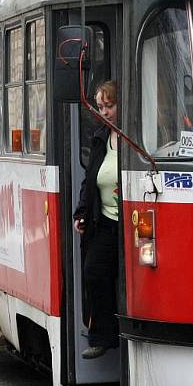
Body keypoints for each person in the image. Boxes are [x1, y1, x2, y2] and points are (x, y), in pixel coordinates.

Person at [73, 81, 120, 360]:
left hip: (132, 222)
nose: (104, 112)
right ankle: (103, 336)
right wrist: (81, 213)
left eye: (110, 106)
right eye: (100, 107)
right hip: (104, 221)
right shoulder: (101, 136)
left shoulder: (136, 136)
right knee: (94, 272)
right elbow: (89, 180)